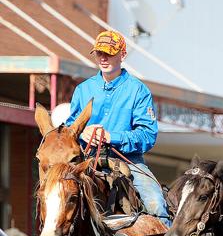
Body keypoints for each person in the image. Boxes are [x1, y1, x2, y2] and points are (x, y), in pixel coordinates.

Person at [65, 30, 170, 225]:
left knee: (156, 203)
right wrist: (82, 132)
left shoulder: (138, 90)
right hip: (86, 160)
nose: (103, 58)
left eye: (109, 53)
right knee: (57, 195)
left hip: (128, 162)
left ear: (123, 54)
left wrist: (111, 136)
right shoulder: (83, 89)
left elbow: (147, 135)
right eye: (99, 53)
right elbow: (69, 127)